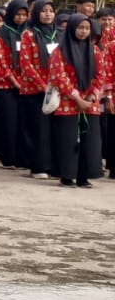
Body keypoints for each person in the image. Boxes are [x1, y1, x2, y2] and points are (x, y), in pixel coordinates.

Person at [47, 14, 105, 188]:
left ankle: (83, 176)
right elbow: (59, 76)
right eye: (80, 28)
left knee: (89, 140)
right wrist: (76, 97)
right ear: (72, 28)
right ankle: (66, 175)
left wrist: (92, 96)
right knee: (67, 139)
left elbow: (101, 74)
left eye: (87, 28)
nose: (83, 32)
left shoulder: (95, 50)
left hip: (89, 102)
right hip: (68, 101)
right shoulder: (60, 50)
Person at [18, 0, 58, 179]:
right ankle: (38, 166)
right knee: (38, 129)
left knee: (54, 129)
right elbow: (26, 64)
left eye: (51, 10)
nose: (48, 14)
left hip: (57, 90)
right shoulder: (29, 34)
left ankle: (54, 165)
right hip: (35, 90)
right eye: (44, 11)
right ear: (36, 14)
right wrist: (43, 86)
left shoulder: (60, 34)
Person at [0, 5, 25, 170]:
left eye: (24, 15)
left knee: (22, 124)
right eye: (18, 14)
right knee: (9, 122)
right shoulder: (1, 34)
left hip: (26, 85)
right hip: (6, 85)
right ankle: (8, 157)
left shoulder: (27, 33)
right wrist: (16, 83)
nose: (21, 18)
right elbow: (0, 62)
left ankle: (21, 157)